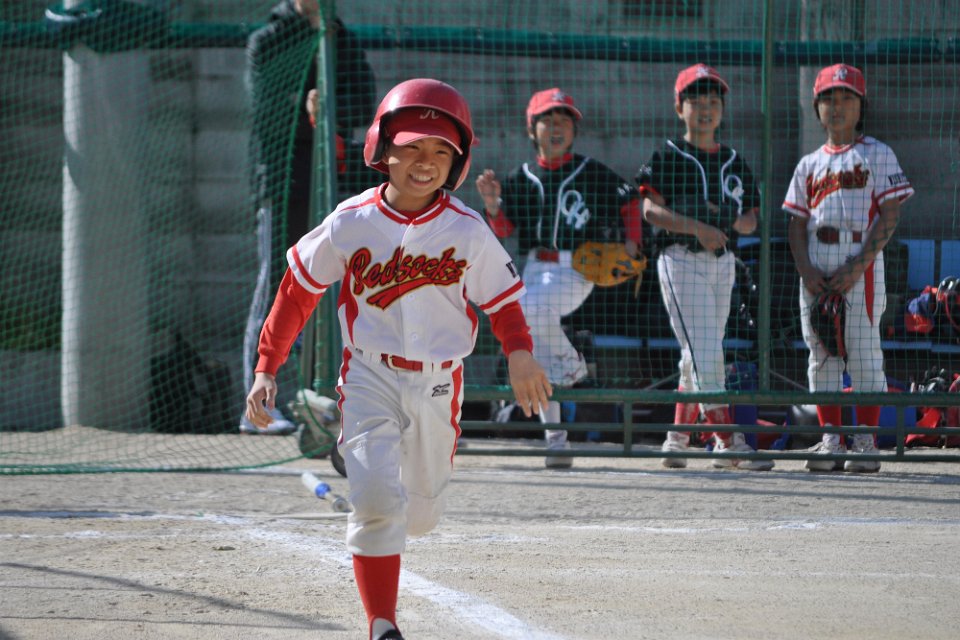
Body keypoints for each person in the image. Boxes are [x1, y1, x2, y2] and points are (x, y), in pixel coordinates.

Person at [244, 78, 553, 640]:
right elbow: (297, 290)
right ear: (382, 149)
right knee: (377, 505)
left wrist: (520, 354)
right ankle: (381, 624)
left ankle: (373, 475)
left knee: (421, 515)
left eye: (440, 151)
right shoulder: (351, 220)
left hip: (439, 383)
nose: (425, 161)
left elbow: (503, 301)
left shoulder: (467, 229)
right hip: (369, 373)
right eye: (411, 147)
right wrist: (267, 367)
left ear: (456, 163)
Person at [475, 88, 643, 468]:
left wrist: (632, 242)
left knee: (527, 312)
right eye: (548, 120)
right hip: (536, 265)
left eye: (564, 121)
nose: (556, 128)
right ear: (531, 129)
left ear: (574, 130)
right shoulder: (521, 177)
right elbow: (504, 230)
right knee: (536, 351)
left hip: (577, 266)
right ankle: (556, 441)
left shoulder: (591, 171)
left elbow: (631, 199)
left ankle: (572, 364)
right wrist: (492, 205)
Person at [240, 0, 377, 433]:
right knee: (277, 284)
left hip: (334, 182)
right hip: (284, 182)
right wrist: (307, 107)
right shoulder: (269, 40)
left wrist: (328, 107)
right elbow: (265, 109)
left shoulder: (342, 38)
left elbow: (365, 106)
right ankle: (258, 408)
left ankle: (326, 404)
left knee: (337, 289)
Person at [636, 63, 773, 471]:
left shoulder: (733, 160)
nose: (706, 108)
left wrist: (721, 220)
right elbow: (650, 210)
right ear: (679, 107)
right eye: (696, 100)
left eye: (714, 101)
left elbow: (751, 219)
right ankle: (729, 442)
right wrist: (698, 225)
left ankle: (676, 441)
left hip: (722, 261)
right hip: (680, 260)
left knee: (696, 354)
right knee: (706, 352)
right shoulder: (667, 154)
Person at [784, 63, 912, 472]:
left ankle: (865, 443)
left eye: (846, 98)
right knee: (821, 355)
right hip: (816, 263)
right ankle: (831, 441)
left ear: (861, 106)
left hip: (860, 262)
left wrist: (858, 265)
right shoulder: (808, 164)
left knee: (864, 355)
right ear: (816, 108)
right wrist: (806, 271)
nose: (837, 106)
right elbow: (796, 224)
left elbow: (890, 214)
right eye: (828, 99)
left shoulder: (877, 153)